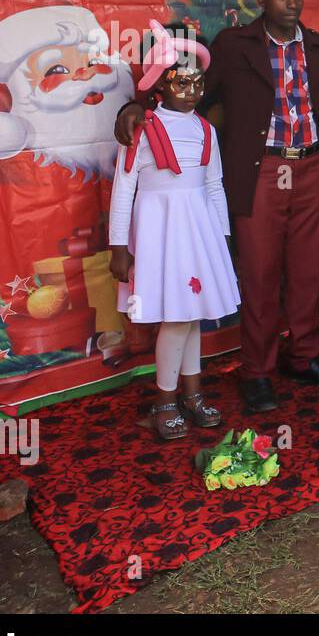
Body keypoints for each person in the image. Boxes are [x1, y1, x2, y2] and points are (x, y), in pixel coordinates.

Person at [115, 0, 319, 412]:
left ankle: (305, 357)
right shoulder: (234, 46)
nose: (291, 3)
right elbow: (190, 90)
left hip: (312, 165)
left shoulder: (318, 48)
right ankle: (257, 371)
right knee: (258, 273)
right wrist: (133, 105)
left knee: (305, 271)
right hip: (261, 169)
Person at [108, 24, 239, 440]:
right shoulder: (141, 127)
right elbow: (123, 188)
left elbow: (214, 184)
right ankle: (165, 401)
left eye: (198, 81)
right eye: (182, 80)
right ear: (161, 82)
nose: (192, 89)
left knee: (192, 316)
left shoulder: (206, 130)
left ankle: (193, 394)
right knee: (176, 320)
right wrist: (118, 247)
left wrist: (222, 238)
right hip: (160, 234)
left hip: (198, 232)